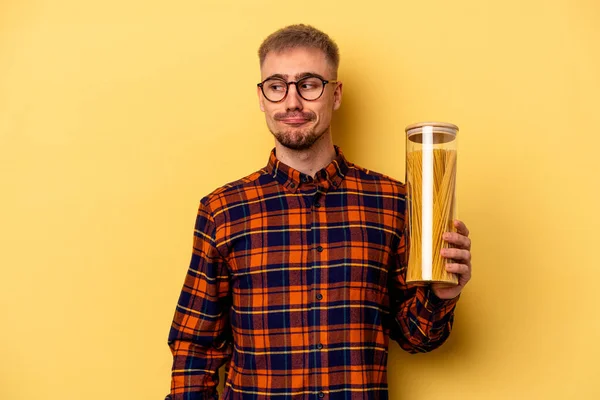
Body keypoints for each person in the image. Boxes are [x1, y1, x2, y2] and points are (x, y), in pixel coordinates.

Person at [166, 24, 472, 400]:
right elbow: (195, 348)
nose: (292, 102)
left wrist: (442, 294)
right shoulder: (224, 210)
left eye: (308, 84)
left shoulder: (394, 203)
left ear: (336, 93)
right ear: (262, 98)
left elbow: (417, 338)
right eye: (277, 86)